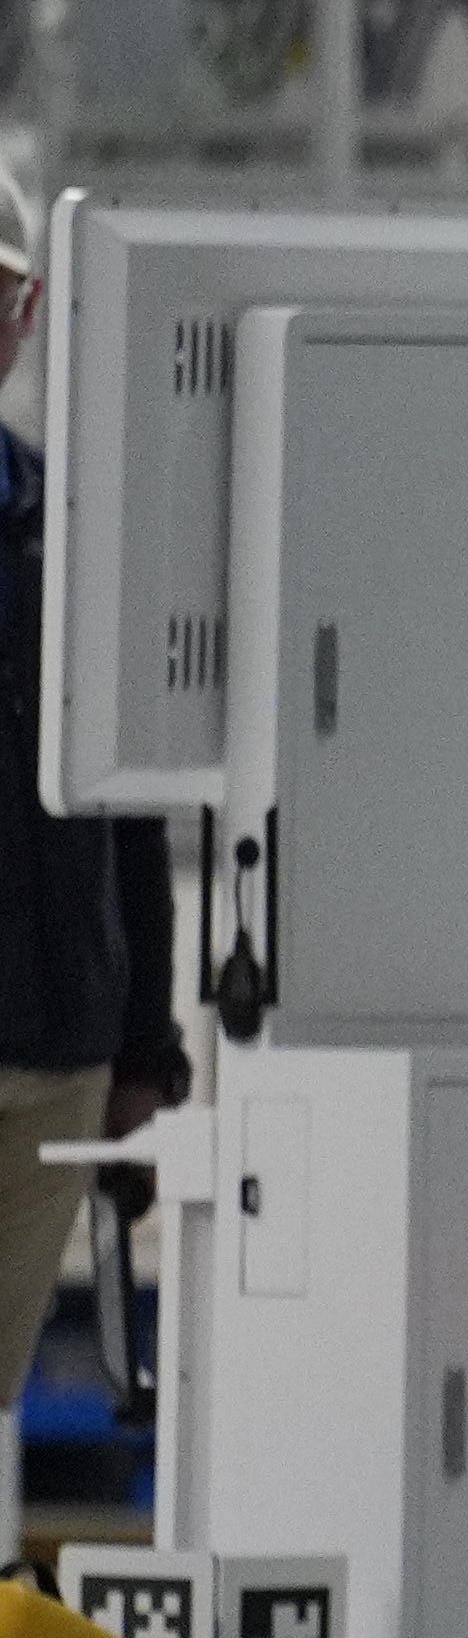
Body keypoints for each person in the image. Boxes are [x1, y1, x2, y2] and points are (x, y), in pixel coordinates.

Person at [0, 179, 182, 1555]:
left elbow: (131, 803)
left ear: (28, 310)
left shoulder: (68, 527)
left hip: (54, 1049)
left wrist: (145, 1049)